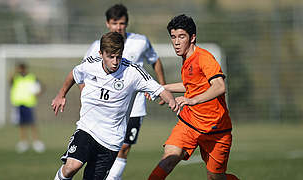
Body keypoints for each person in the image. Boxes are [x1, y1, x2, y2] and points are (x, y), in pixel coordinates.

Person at [51, 32, 178, 180]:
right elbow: (74, 74)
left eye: (118, 56)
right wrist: (61, 94)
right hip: (87, 129)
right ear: (101, 53)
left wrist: (173, 102)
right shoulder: (90, 64)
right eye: (110, 57)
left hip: (111, 140)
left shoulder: (133, 72)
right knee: (71, 167)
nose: (115, 61)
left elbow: (160, 89)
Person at [148, 14, 239, 180]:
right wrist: (161, 88)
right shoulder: (186, 59)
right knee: (169, 158)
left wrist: (191, 100)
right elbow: (191, 85)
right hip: (189, 123)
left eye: (181, 37)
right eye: (173, 37)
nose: (176, 42)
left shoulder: (204, 58)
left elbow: (219, 86)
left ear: (192, 37)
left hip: (216, 129)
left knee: (216, 178)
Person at [81, 4, 167, 180]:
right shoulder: (98, 46)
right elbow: (82, 73)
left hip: (135, 107)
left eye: (122, 23)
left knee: (124, 147)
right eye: (114, 23)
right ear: (107, 24)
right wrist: (87, 96)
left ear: (127, 23)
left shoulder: (140, 42)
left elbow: (155, 61)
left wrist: (161, 87)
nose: (118, 27)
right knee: (102, 147)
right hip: (105, 108)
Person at [10, 63, 45, 153]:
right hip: (18, 103)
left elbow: (41, 88)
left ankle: (36, 142)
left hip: (29, 103)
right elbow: (10, 82)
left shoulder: (32, 77)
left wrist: (38, 93)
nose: (20, 70)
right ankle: (23, 142)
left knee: (32, 123)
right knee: (21, 124)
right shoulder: (16, 78)